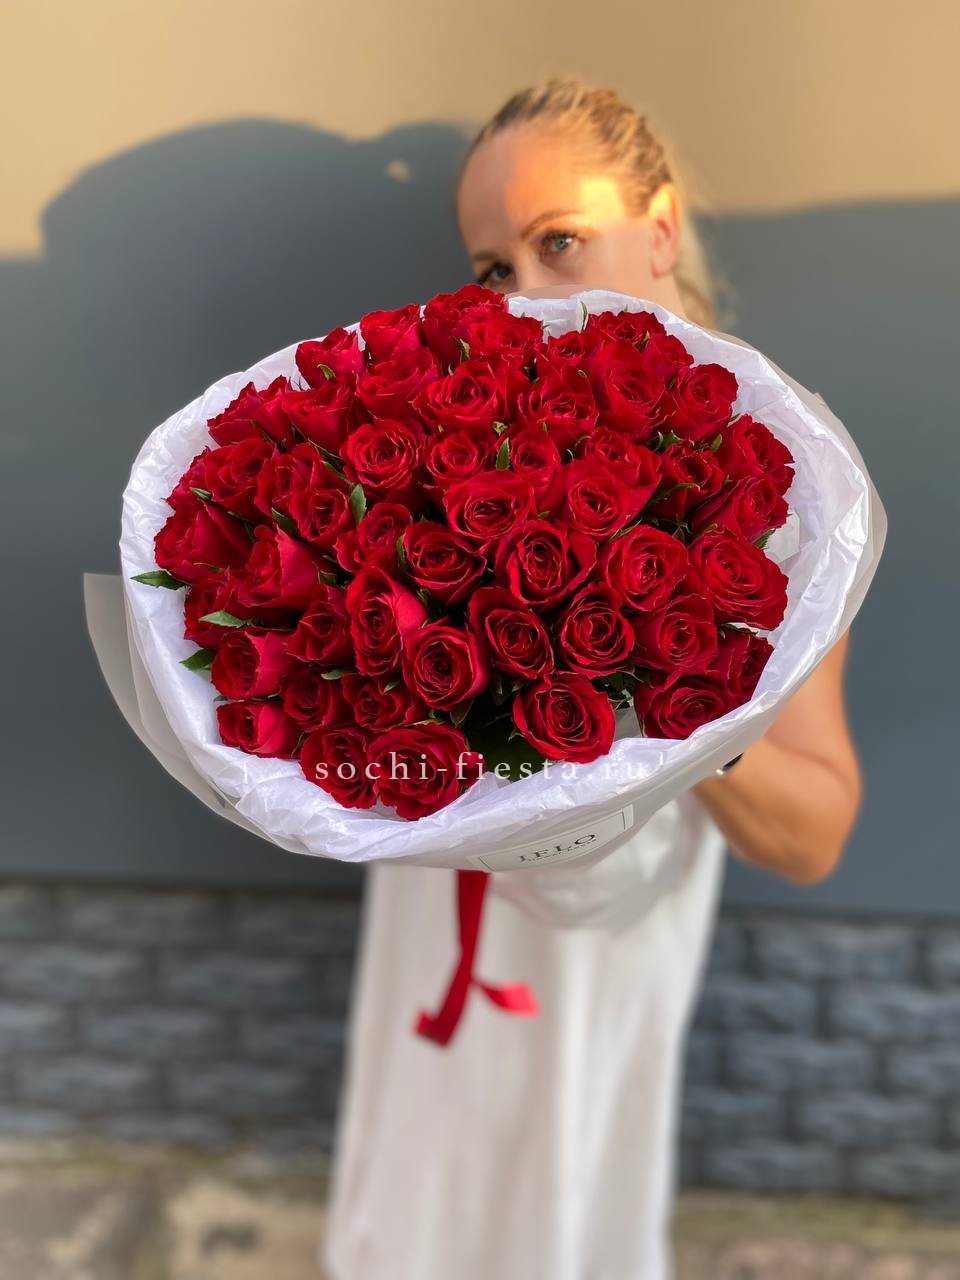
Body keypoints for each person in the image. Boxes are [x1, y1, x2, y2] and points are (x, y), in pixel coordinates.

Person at [321, 77, 863, 1280]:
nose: (523, 294)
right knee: (417, 1185)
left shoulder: (778, 488)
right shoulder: (445, 445)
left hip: (602, 947)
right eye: (493, 267)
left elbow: (818, 828)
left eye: (559, 240)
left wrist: (682, 692)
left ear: (658, 227)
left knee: (558, 1210)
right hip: (434, 907)